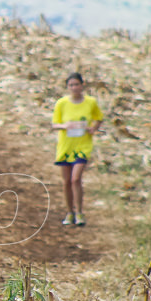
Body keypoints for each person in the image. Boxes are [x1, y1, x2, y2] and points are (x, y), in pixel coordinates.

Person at [51, 72, 103, 226]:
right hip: (65, 146)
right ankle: (69, 212)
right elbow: (54, 124)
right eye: (71, 85)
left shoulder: (90, 102)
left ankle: (79, 212)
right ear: (67, 87)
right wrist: (64, 126)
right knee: (66, 181)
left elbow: (99, 118)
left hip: (83, 145)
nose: (74, 88)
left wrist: (93, 129)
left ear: (82, 85)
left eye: (77, 84)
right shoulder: (61, 103)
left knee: (76, 179)